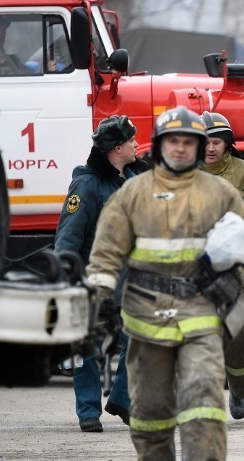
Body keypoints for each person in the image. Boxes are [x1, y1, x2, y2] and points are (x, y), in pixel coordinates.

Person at [85, 106, 244, 461]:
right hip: (144, 313)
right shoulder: (132, 193)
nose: (180, 149)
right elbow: (106, 251)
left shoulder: (220, 193)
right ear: (160, 146)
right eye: (173, 141)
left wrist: (237, 276)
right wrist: (97, 299)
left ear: (198, 147)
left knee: (202, 388)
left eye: (188, 142)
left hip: (201, 311)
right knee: (149, 400)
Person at [55, 115, 143, 433]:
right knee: (86, 346)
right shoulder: (87, 184)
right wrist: (67, 278)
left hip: (132, 280)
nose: (137, 144)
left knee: (138, 340)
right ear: (116, 148)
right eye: (131, 140)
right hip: (93, 280)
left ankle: (122, 400)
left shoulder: (136, 179)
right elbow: (69, 236)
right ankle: (88, 410)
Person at [200, 111, 244, 420]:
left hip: (239, 274)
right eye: (205, 142)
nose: (210, 148)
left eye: (216, 142)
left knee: (240, 338)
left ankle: (239, 388)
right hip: (196, 273)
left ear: (228, 144)